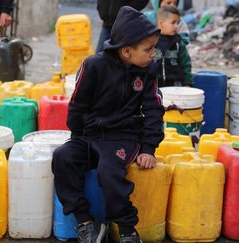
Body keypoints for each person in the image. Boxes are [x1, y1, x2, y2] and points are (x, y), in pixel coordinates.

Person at [52, 6, 164, 243]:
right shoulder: (93, 66)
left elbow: (154, 109)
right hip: (89, 134)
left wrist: (148, 148)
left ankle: (126, 228)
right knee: (63, 157)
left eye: (154, 47)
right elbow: (77, 104)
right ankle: (86, 223)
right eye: (149, 49)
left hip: (123, 136)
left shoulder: (147, 70)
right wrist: (77, 136)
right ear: (126, 51)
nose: (153, 53)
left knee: (109, 171)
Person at [154, 5, 192, 87]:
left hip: (175, 86)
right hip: (155, 86)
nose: (176, 26)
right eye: (173, 22)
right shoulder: (152, 42)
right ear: (160, 23)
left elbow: (186, 64)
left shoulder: (178, 43)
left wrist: (188, 83)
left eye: (177, 23)